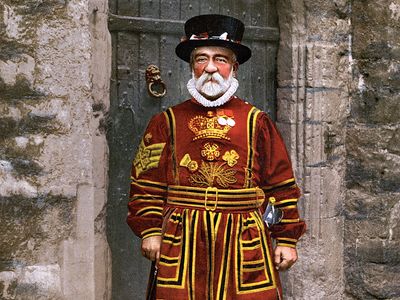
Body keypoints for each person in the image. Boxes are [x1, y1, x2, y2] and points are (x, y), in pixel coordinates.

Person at [127, 14, 306, 300]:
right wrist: (150, 231)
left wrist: (286, 238)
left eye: (220, 59)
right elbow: (146, 185)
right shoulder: (166, 122)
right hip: (181, 239)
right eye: (201, 58)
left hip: (244, 237)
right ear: (191, 66)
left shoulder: (257, 121)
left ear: (234, 68)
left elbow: (280, 184)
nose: (210, 67)